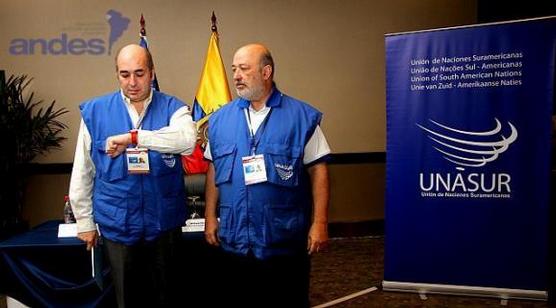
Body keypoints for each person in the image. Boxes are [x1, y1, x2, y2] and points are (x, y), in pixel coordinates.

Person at [69, 44, 196, 307]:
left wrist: (135, 137)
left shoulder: (174, 108)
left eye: (139, 73)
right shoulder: (95, 112)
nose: (133, 82)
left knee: (167, 297)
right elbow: (83, 169)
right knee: (127, 299)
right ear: (117, 74)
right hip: (118, 224)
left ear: (152, 72)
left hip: (164, 225)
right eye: (125, 74)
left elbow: (186, 141)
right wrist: (84, 221)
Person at [204, 43, 331, 307]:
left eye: (244, 69)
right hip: (235, 239)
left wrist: (319, 223)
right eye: (234, 69)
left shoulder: (301, 117)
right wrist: (209, 217)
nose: (236, 75)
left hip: (283, 240)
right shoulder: (219, 121)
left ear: (266, 72)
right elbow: (213, 168)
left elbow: (318, 170)